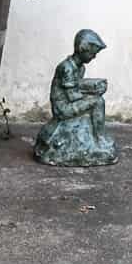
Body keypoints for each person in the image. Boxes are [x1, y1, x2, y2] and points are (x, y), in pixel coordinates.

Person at [33, 29, 117, 166]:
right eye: (92, 53)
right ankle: (100, 138)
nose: (94, 57)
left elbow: (77, 86)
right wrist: (95, 91)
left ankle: (97, 137)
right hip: (63, 108)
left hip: (70, 103)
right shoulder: (67, 68)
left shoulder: (80, 68)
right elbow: (72, 96)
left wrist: (95, 85)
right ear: (82, 49)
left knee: (96, 99)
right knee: (98, 102)